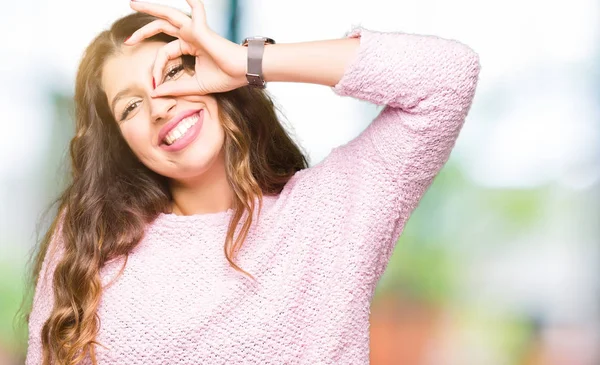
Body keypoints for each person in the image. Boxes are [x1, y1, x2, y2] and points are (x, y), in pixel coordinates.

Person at [22, 0, 480, 364]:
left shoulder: (331, 214)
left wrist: (246, 60)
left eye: (174, 72)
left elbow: (447, 77)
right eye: (130, 107)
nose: (159, 106)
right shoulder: (92, 238)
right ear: (121, 142)